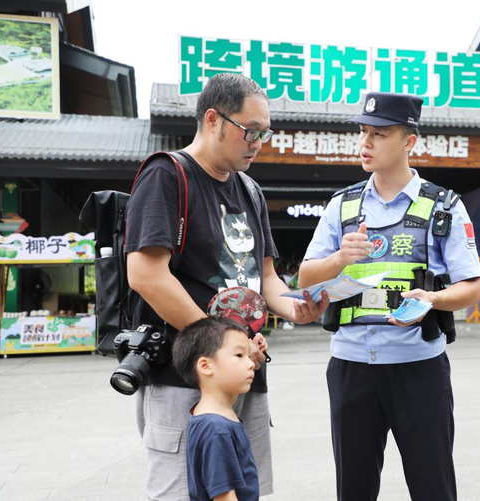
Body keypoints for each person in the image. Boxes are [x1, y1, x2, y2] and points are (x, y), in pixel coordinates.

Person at [125, 73, 329, 500]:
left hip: (242, 374)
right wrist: (220, 343)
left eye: (264, 133)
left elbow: (266, 277)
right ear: (213, 119)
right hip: (184, 378)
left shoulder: (250, 190)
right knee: (183, 492)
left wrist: (295, 308)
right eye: (250, 131)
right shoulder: (167, 175)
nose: (258, 142)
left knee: (241, 491)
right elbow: (145, 274)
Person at [299, 92, 480, 501]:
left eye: (378, 134)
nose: (365, 143)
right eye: (363, 132)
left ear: (408, 141)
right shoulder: (341, 206)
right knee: (354, 488)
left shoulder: (443, 206)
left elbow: (472, 287)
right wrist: (339, 259)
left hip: (418, 369)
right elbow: (307, 277)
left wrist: (431, 301)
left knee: (432, 484)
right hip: (350, 366)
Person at [172, 316, 260, 501]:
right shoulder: (216, 428)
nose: (251, 363)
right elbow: (223, 496)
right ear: (205, 366)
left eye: (249, 356)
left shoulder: (211, 417)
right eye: (239, 355)